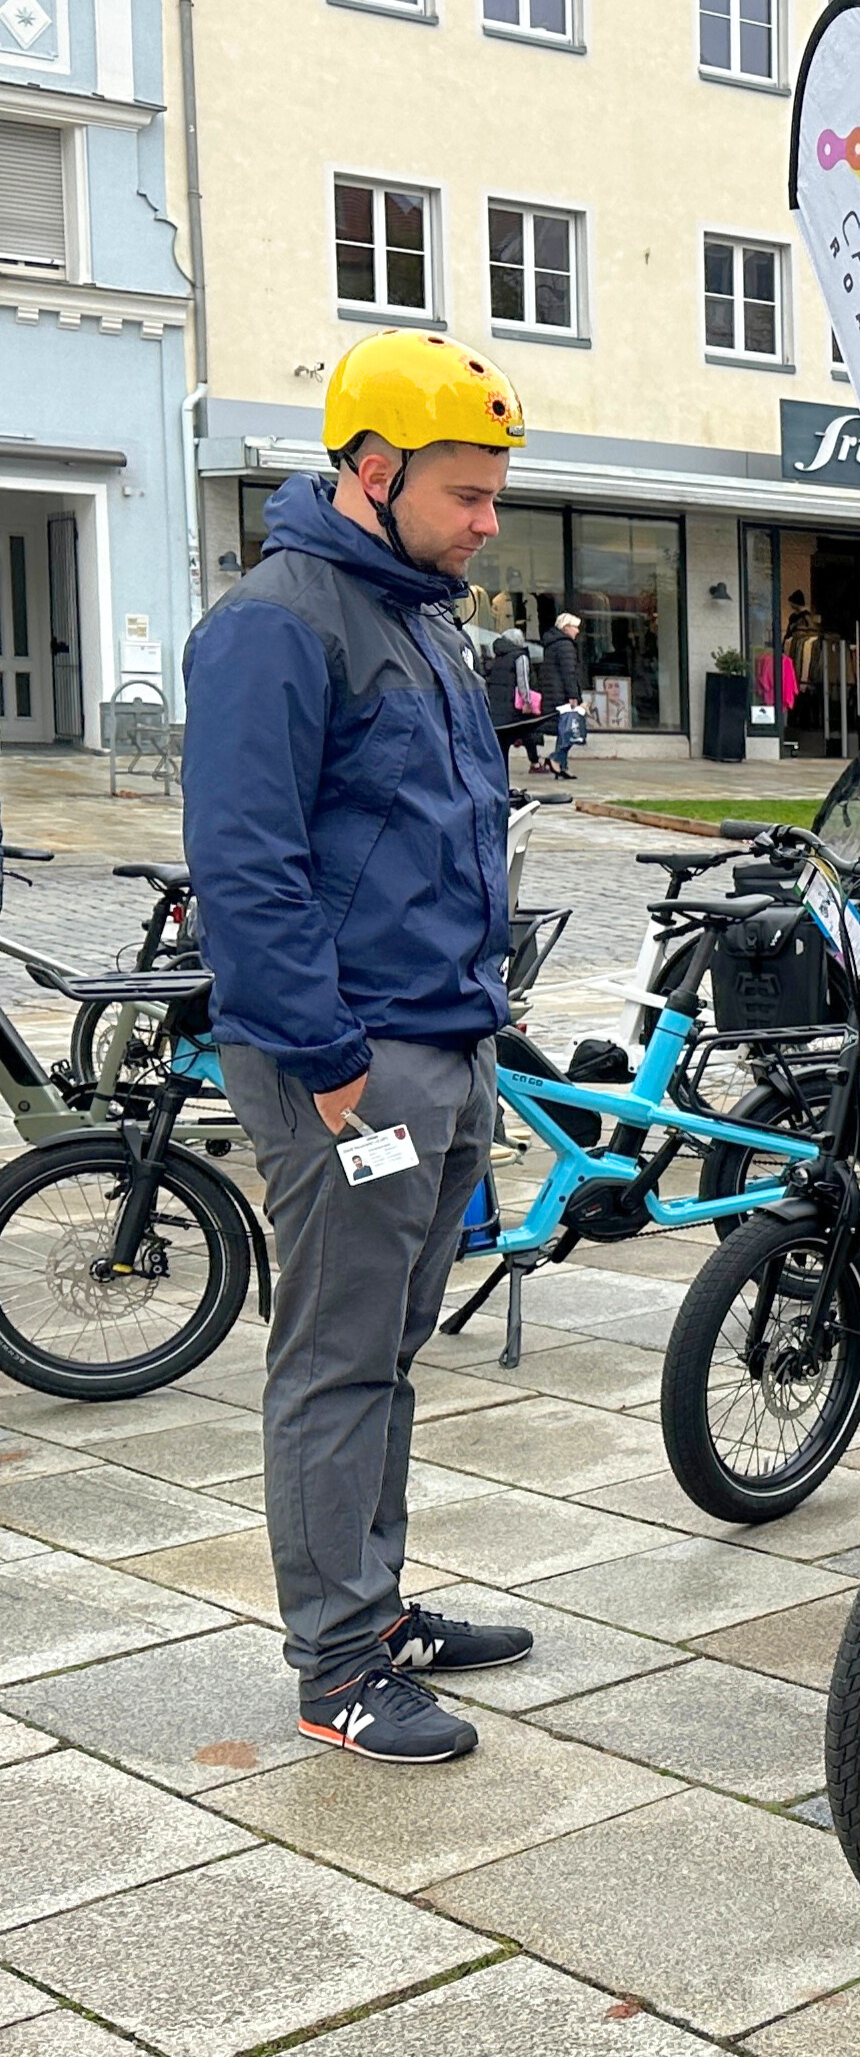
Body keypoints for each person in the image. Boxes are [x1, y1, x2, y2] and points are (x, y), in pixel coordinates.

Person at [181, 329, 535, 1765]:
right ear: (373, 473)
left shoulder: (423, 613)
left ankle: (375, 1609)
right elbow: (247, 867)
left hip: (442, 1044)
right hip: (349, 1062)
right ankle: (337, 1660)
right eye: (467, 492)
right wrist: (331, 1061)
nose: (489, 520)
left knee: (389, 1346)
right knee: (335, 1357)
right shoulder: (279, 622)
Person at [479, 626, 543, 776]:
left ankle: (500, 770)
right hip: (513, 702)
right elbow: (523, 680)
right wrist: (527, 700)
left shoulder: (498, 656)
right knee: (526, 730)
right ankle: (533, 762)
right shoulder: (519, 656)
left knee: (501, 737)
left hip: (497, 701)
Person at [538, 611, 584, 780]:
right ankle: (557, 759)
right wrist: (573, 695)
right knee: (571, 729)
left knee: (564, 730)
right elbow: (569, 672)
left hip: (553, 692)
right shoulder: (565, 646)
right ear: (566, 628)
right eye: (575, 627)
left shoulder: (552, 644)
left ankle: (561, 764)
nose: (577, 631)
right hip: (562, 694)